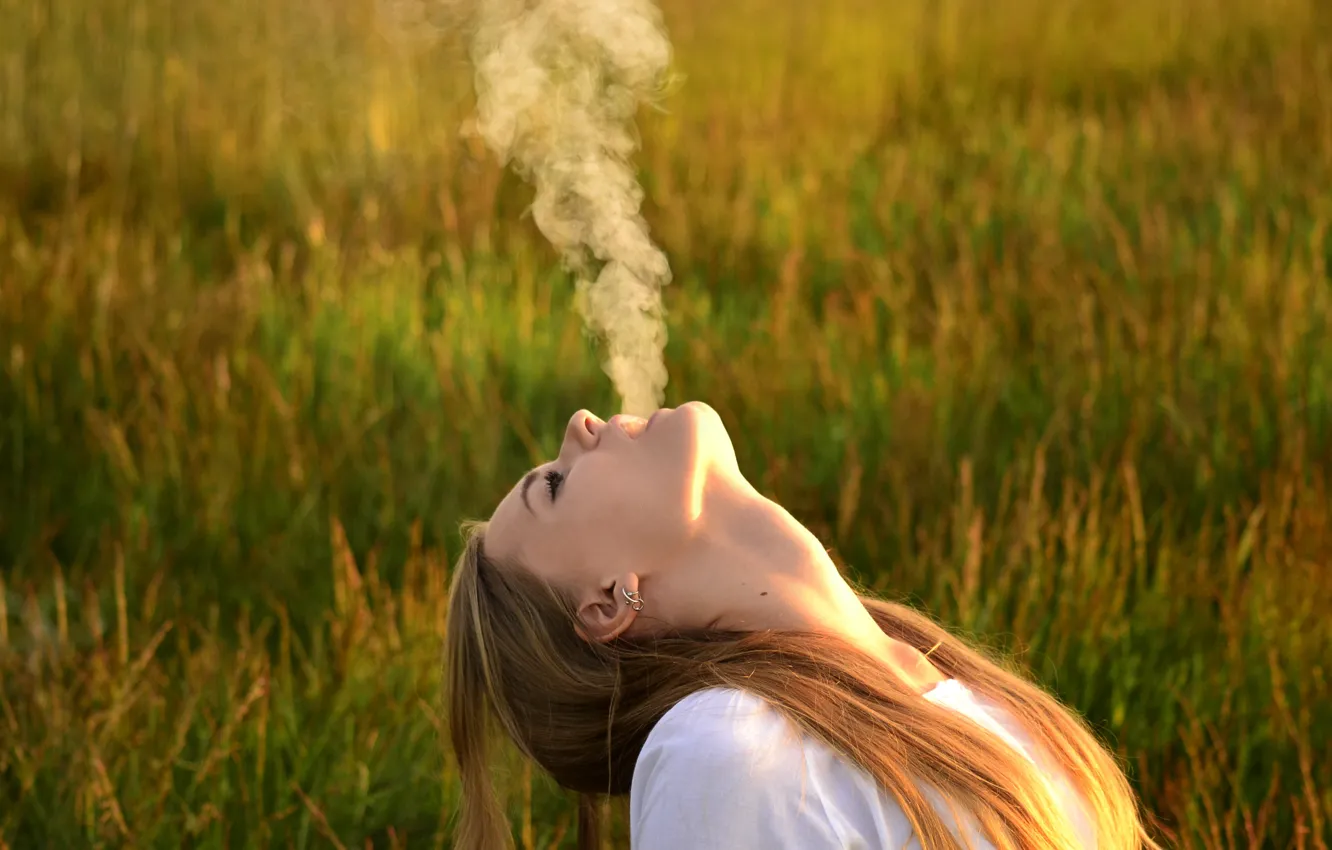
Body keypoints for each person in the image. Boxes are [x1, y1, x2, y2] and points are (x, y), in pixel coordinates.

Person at [444, 402, 1159, 849]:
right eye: (556, 486)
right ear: (606, 600)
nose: (581, 425)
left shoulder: (941, 681)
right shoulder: (726, 756)